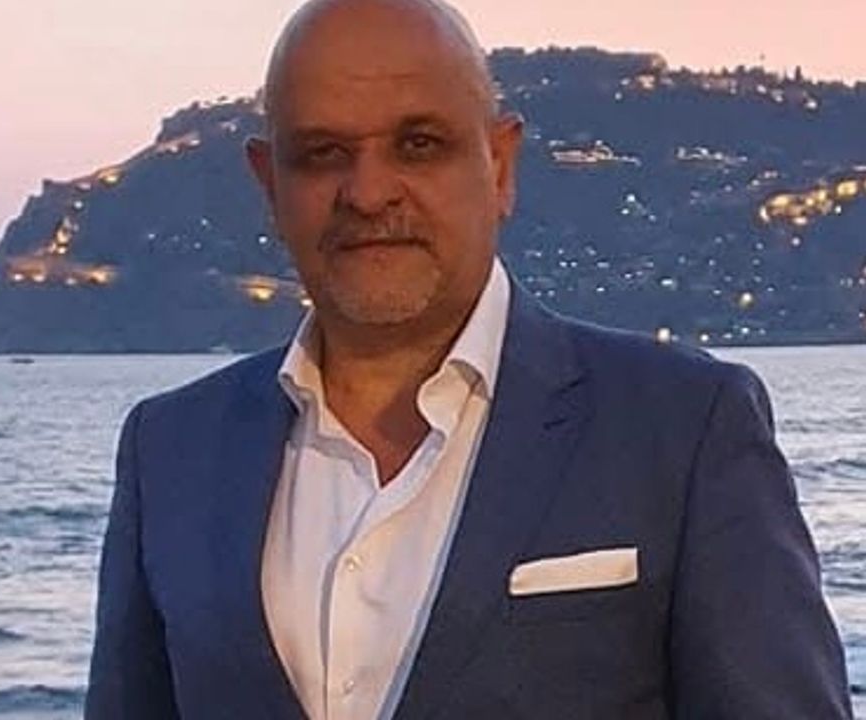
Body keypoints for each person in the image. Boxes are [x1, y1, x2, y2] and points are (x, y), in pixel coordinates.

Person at [85, 0, 853, 717]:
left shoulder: (683, 429)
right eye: (323, 154)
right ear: (269, 185)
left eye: (418, 144)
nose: (369, 192)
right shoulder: (171, 451)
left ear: (500, 165)